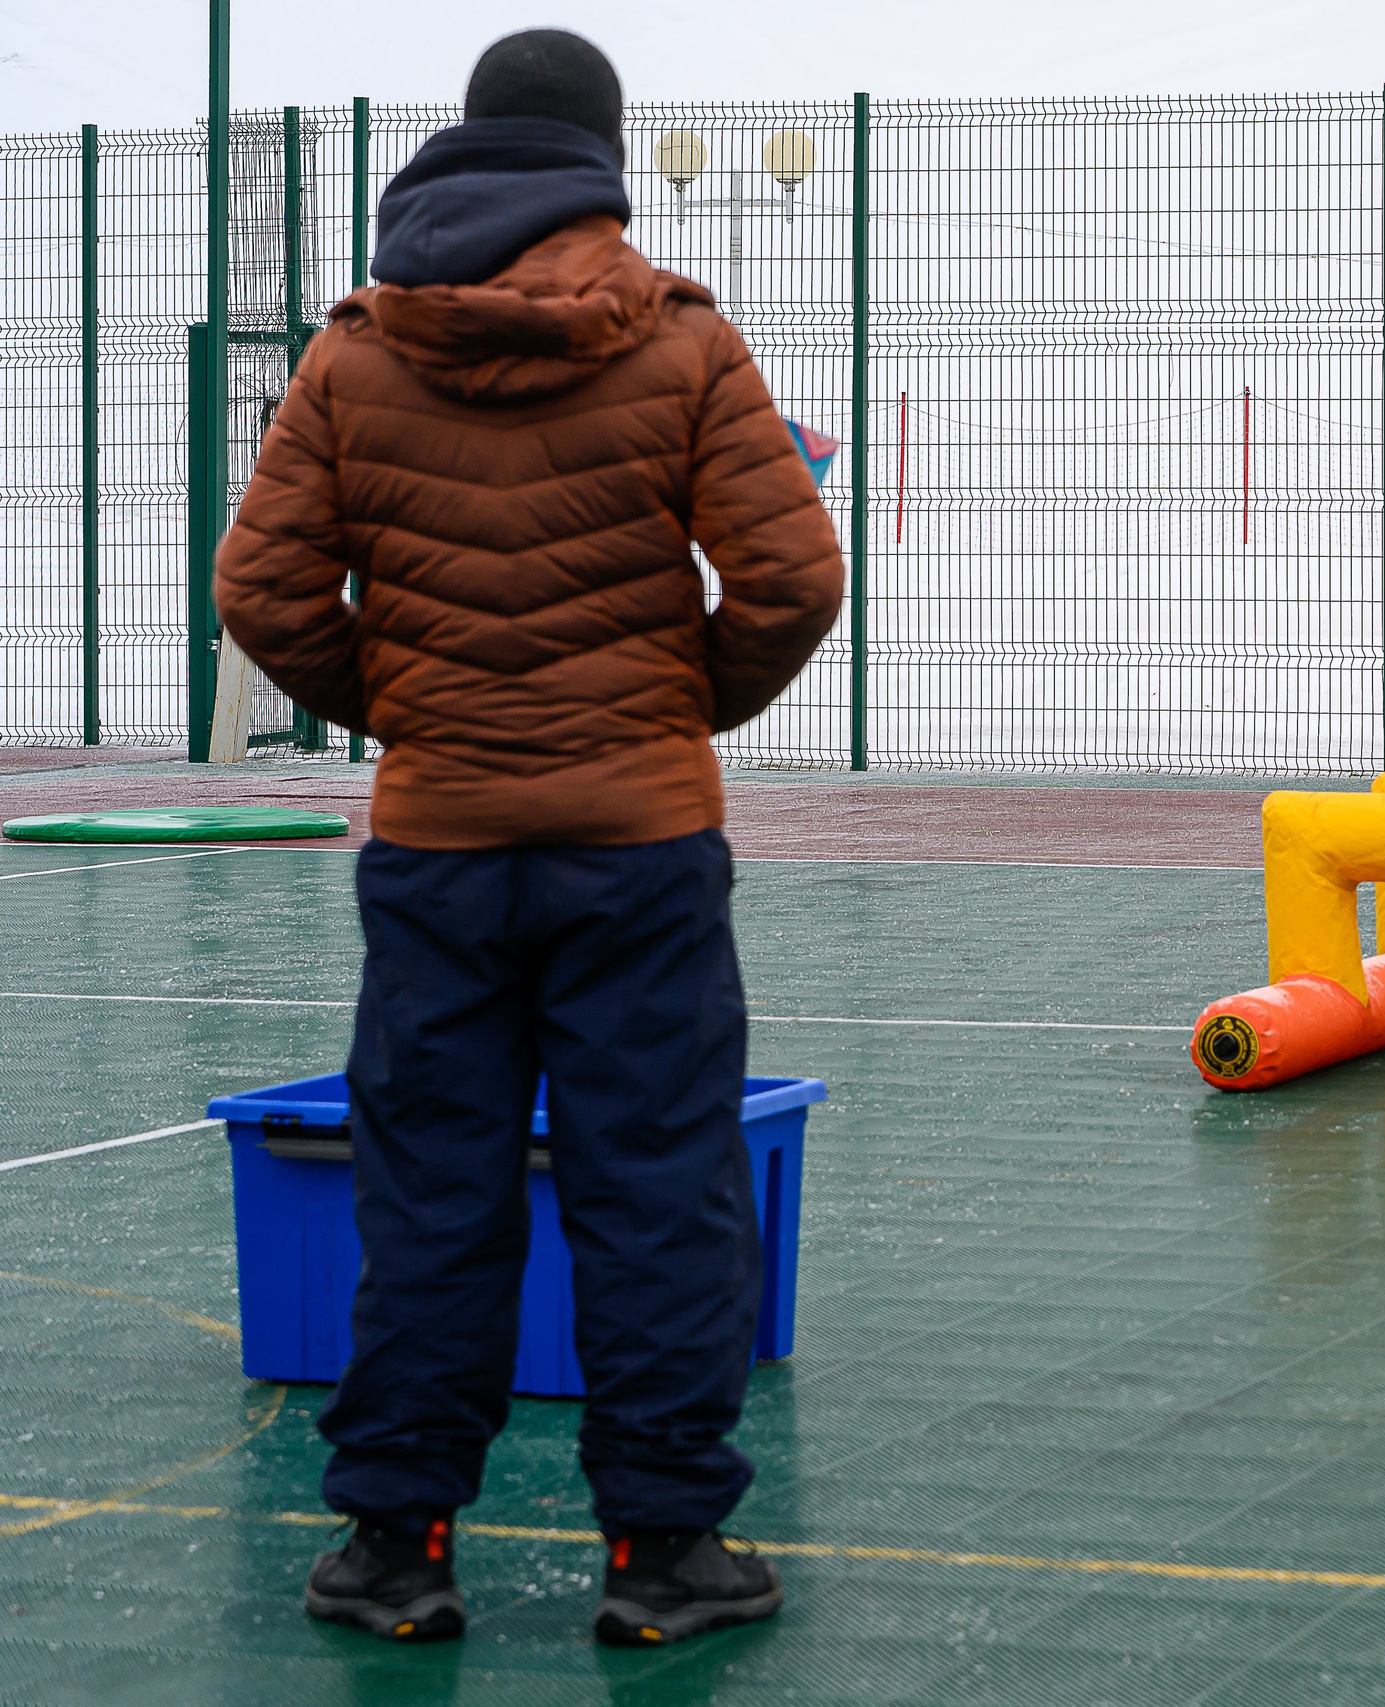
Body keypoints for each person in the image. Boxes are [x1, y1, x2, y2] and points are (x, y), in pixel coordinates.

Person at [213, 29, 844, 1648]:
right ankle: (663, 1553)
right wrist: (677, 705)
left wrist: (406, 706)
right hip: (640, 845)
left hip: (439, 846)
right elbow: (792, 577)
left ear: (467, 146)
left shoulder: (358, 353)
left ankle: (397, 1544)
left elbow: (263, 587)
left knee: (431, 1189)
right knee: (659, 1183)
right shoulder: (680, 339)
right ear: (603, 162)